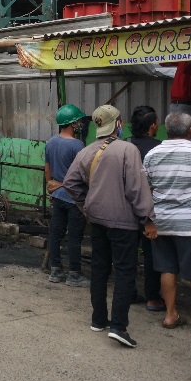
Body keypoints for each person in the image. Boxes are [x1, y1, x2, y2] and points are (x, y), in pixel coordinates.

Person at [63, 105, 157, 348]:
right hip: (124, 222)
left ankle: (98, 319)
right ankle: (118, 326)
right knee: (125, 271)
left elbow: (70, 182)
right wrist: (147, 218)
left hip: (97, 220)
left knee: (100, 267)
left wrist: (87, 205)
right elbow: (136, 189)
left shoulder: (86, 151)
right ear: (118, 124)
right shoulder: (128, 149)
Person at [143, 111, 191, 336]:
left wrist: (149, 221)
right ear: (190, 131)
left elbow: (145, 190)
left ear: (166, 130)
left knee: (167, 269)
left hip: (162, 222)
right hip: (190, 224)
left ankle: (170, 315)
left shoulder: (152, 154)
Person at [126, 106, 166, 312]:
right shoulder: (159, 148)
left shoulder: (126, 146)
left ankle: (129, 292)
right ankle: (152, 297)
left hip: (128, 207)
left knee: (129, 251)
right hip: (151, 208)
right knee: (151, 253)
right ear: (152, 125)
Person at [45, 104, 89, 287]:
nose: (80, 124)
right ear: (72, 123)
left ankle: (55, 270)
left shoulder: (50, 142)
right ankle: (74, 274)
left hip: (57, 195)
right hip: (73, 197)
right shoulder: (78, 146)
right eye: (78, 121)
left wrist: (52, 188)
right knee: (74, 236)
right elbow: (82, 173)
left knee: (56, 233)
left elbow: (47, 169)